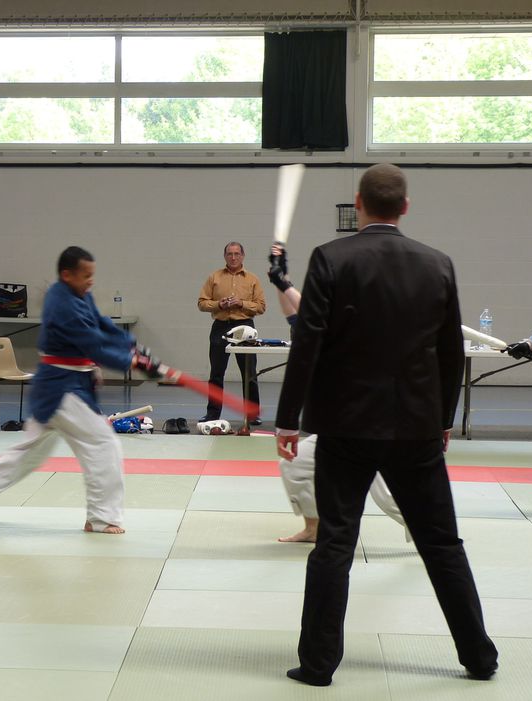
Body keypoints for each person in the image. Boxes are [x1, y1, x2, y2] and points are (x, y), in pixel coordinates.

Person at [275, 164, 498, 686]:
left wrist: (288, 420)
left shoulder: (331, 258)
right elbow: (450, 353)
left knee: (335, 543)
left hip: (345, 425)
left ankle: (318, 664)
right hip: (416, 426)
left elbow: (308, 344)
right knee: (442, 544)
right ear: (405, 206)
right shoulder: (437, 264)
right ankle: (479, 657)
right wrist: (443, 418)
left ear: (359, 203)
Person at [0, 245, 161, 535]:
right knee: (103, 444)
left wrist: (132, 346)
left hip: (60, 386)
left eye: (93, 275)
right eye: (85, 275)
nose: (91, 281)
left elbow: (102, 324)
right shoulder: (62, 304)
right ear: (67, 275)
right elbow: (93, 344)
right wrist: (132, 361)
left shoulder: (78, 294)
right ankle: (101, 518)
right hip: (62, 389)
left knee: (28, 453)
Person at [268, 244, 409, 544]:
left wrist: (284, 282)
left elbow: (314, 313)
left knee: (386, 494)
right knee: (294, 465)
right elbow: (294, 312)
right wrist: (280, 275)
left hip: (374, 426)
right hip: (338, 426)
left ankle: (431, 533)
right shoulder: (318, 322)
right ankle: (313, 528)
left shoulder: (356, 317)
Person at [197, 242, 266, 426]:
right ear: (224, 256)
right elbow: (202, 303)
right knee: (216, 373)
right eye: (230, 254)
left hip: (245, 327)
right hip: (221, 326)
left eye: (237, 254)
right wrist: (219, 304)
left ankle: (252, 414)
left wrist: (241, 303)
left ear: (243, 256)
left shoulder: (252, 279)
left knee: (249, 373)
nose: (233, 257)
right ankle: (212, 414)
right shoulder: (215, 277)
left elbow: (261, 307)